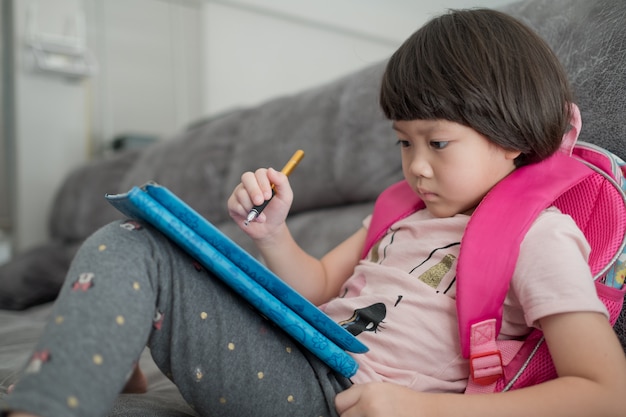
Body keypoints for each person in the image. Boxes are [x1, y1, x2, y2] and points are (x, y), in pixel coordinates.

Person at [4, 8, 626, 417]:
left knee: (132, 246)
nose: (416, 166)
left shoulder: (541, 236)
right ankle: (104, 358)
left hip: (342, 394)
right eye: (403, 142)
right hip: (302, 349)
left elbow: (606, 392)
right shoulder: (403, 212)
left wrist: (421, 409)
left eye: (437, 143)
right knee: (138, 234)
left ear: (513, 133)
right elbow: (318, 287)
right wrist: (272, 234)